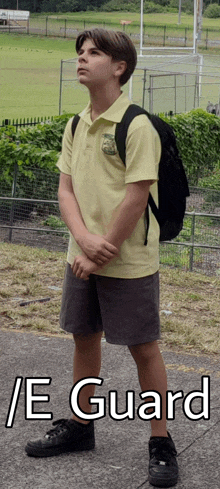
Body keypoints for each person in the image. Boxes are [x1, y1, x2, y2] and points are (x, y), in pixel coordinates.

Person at [25, 28, 178, 488]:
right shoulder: (76, 123)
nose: (82, 59)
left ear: (119, 67)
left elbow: (136, 196)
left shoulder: (137, 125)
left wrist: (100, 248)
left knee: (143, 349)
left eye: (94, 53)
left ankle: (161, 441)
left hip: (127, 260)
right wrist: (82, 241)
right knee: (83, 338)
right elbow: (65, 188)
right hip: (81, 256)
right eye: (80, 52)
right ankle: (80, 426)